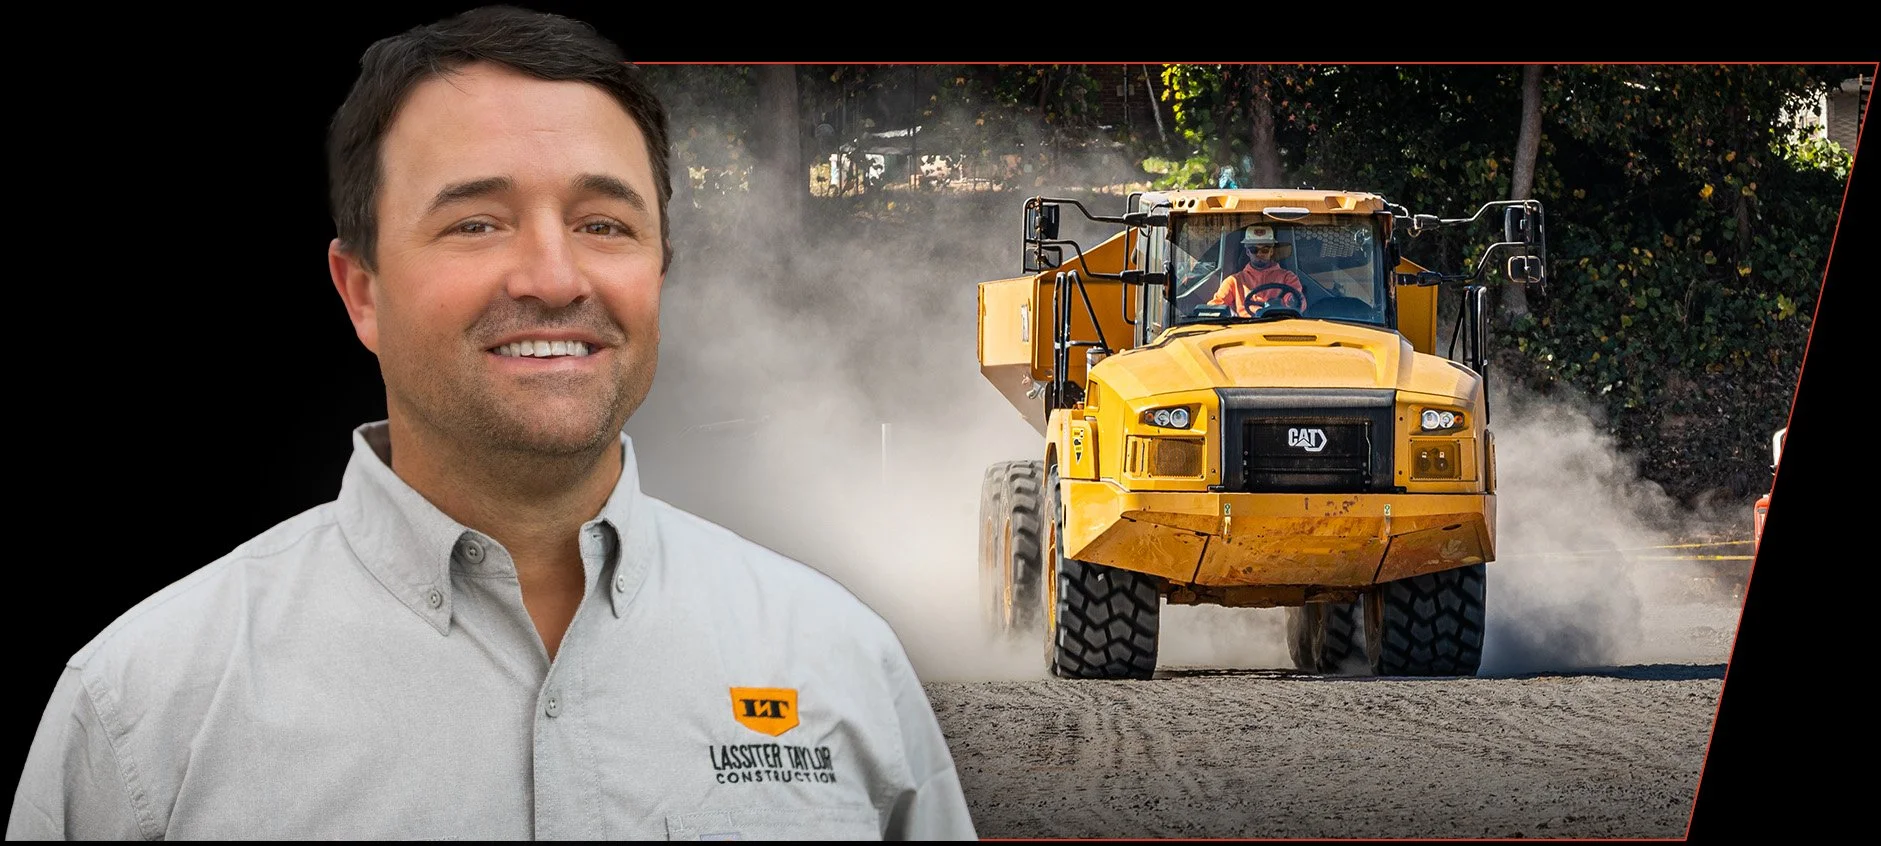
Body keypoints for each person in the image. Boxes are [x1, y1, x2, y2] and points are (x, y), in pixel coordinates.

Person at [6, 6, 977, 841]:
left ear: (658, 271)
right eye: (476, 222)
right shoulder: (144, 708)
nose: (555, 279)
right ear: (362, 291)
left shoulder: (841, 663)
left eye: (605, 223)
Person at [1207, 224, 1307, 317]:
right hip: (1244, 330)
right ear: (1247, 252)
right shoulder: (1234, 281)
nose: (1259, 254)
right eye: (1254, 250)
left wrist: (1291, 301)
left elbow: (1299, 301)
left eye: (1265, 250)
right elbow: (1216, 307)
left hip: (1279, 327)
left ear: (1271, 251)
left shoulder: (1288, 277)